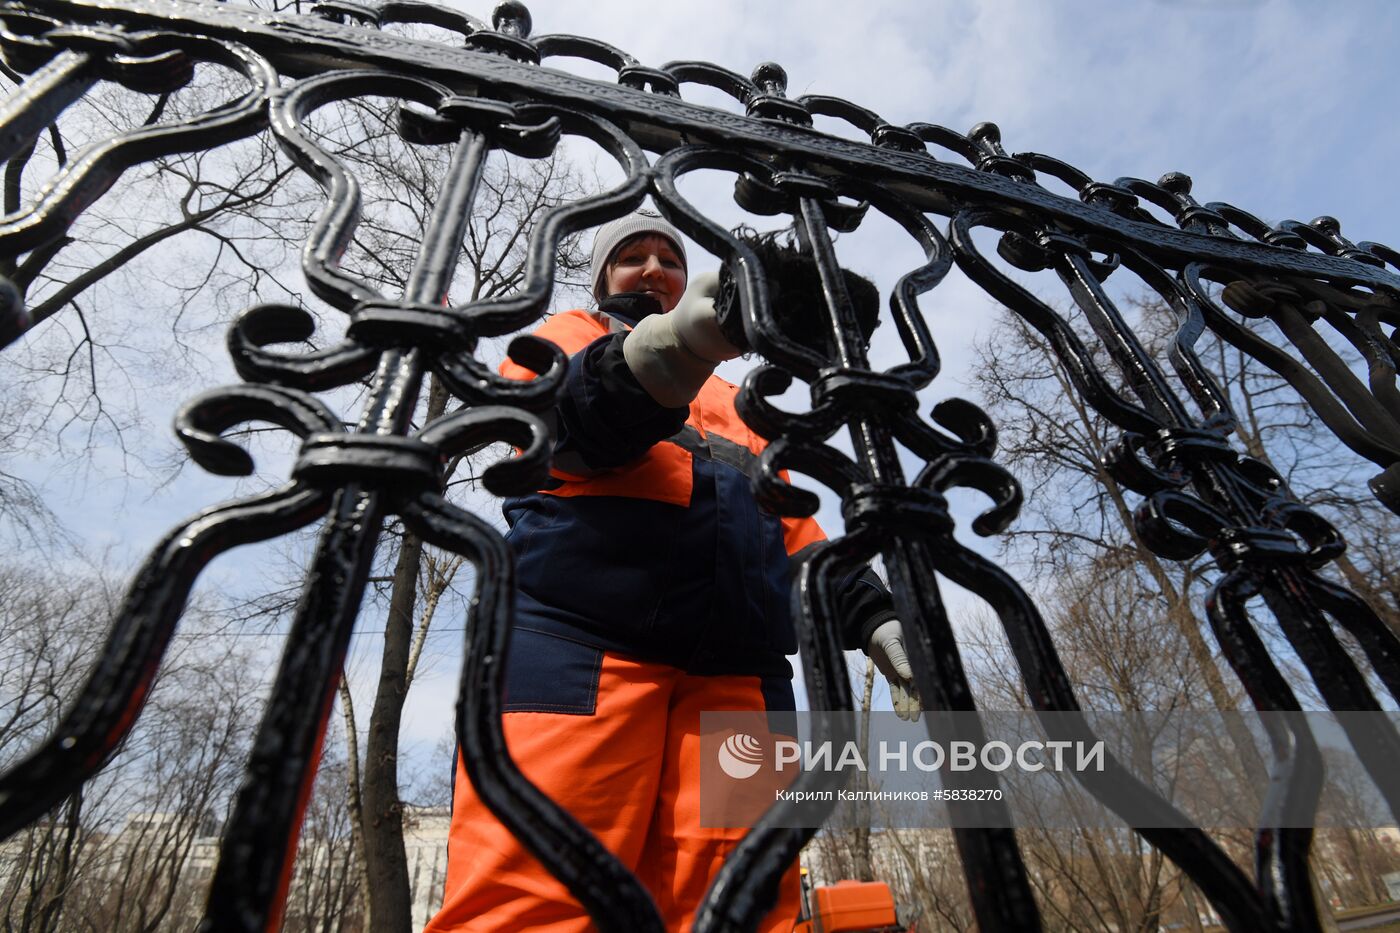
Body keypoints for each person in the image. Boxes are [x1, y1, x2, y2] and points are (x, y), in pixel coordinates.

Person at [425, 210, 918, 933]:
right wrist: (675, 346)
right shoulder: (568, 335)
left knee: (741, 897)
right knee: (536, 890)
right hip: (577, 647)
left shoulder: (738, 402)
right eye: (632, 256)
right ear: (601, 278)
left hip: (738, 675)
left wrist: (872, 615)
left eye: (669, 256)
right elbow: (566, 422)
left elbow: (790, 530)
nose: (654, 268)